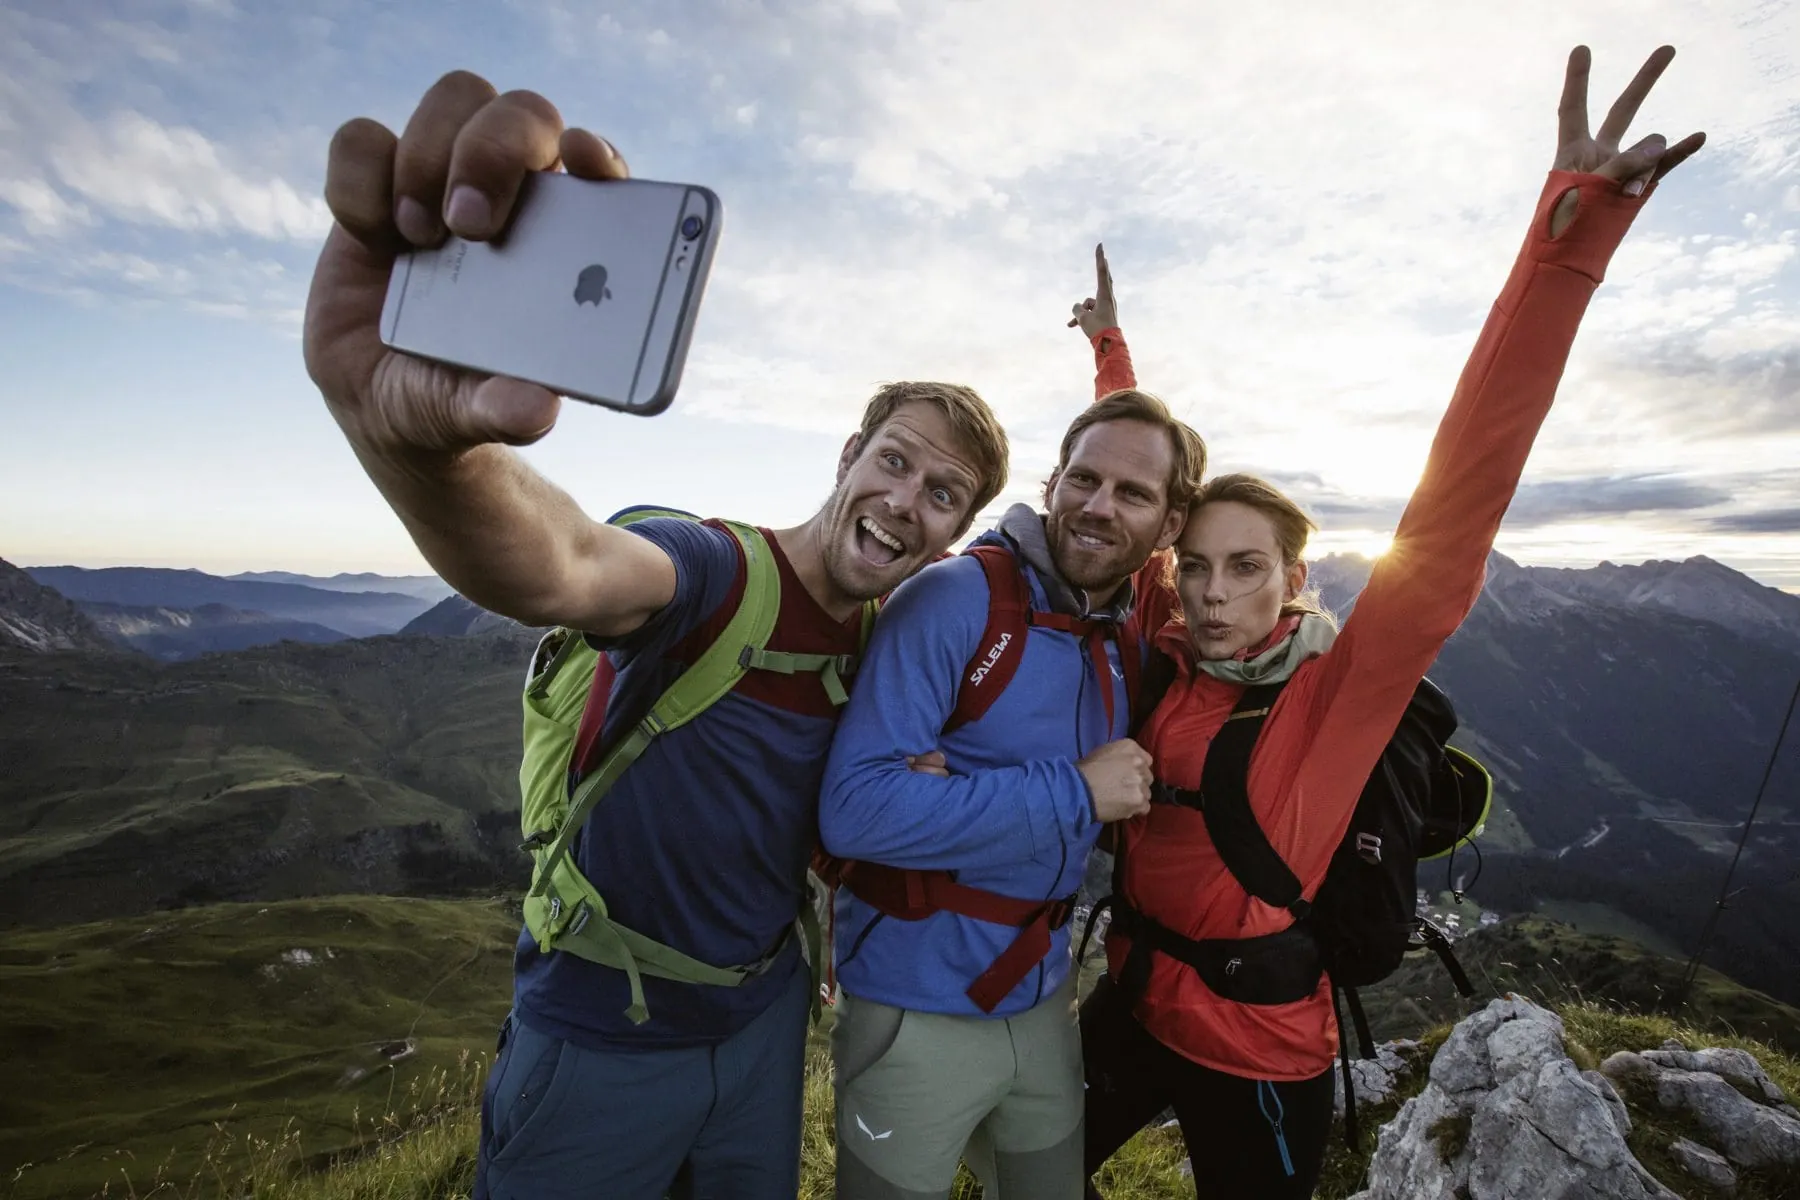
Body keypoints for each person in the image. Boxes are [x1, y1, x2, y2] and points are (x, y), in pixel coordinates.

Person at [301, 71, 1014, 1200]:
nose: (906, 500)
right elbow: (570, 562)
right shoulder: (718, 572)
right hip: (602, 1033)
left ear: (954, 535)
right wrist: (412, 446)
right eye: (895, 462)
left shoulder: (891, 641)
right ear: (847, 457)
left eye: (943, 495)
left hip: (764, 1021)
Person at [1078, 45, 1706, 1199]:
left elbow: (1464, 490)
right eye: (1199, 565)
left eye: (1245, 569)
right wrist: (1111, 354)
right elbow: (1131, 477)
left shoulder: (1336, 698)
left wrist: (1564, 247)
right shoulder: (1172, 637)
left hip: (1259, 1054)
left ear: (1294, 578)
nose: (1213, 591)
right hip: (1128, 1004)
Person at [816, 259, 1205, 1196]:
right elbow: (854, 810)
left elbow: (1144, 448)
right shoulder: (956, 598)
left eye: (1132, 495)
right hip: (913, 1006)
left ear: (1168, 526)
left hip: (1039, 1004)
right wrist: (1074, 791)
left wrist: (1113, 349)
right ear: (1054, 481)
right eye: (1084, 478)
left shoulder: (1126, 628)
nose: (1099, 506)